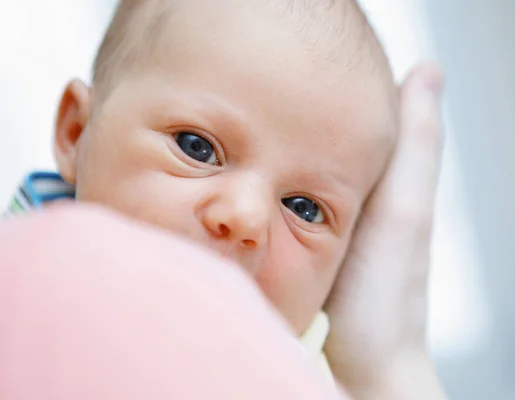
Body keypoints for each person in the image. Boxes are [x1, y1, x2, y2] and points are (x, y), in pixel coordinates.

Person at [3, 0, 447, 398]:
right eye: (197, 147)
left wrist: (393, 366)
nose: (247, 217)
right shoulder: (21, 275)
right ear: (77, 134)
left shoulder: (302, 373)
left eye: (304, 209)